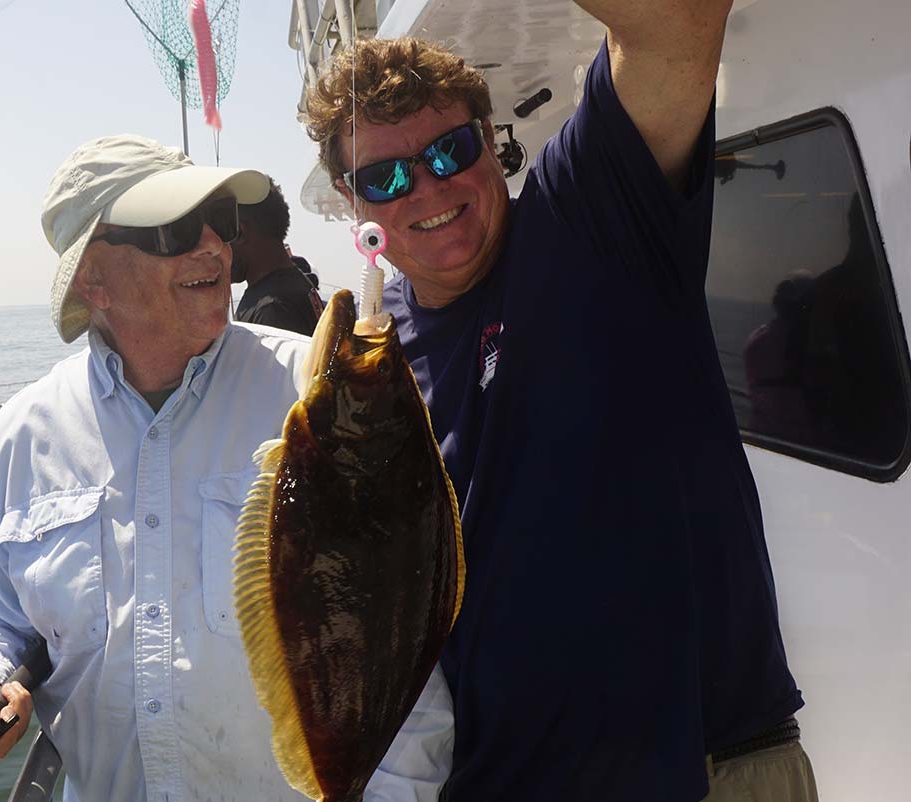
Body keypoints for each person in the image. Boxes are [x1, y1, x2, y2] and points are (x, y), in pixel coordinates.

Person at [303, 3, 817, 801]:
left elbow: (678, 27)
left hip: (705, 766)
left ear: (491, 138)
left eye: (451, 148)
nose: (428, 186)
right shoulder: (375, 357)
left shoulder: (588, 217)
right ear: (353, 200)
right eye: (386, 176)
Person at [0, 135, 453, 802]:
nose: (213, 245)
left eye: (221, 220)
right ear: (91, 277)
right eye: (177, 228)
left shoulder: (319, 392)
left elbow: (403, 636)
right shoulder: (17, 439)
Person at [230, 176, 324, 335]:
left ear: (240, 233)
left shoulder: (272, 309)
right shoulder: (295, 285)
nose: (213, 250)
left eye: (221, 235)